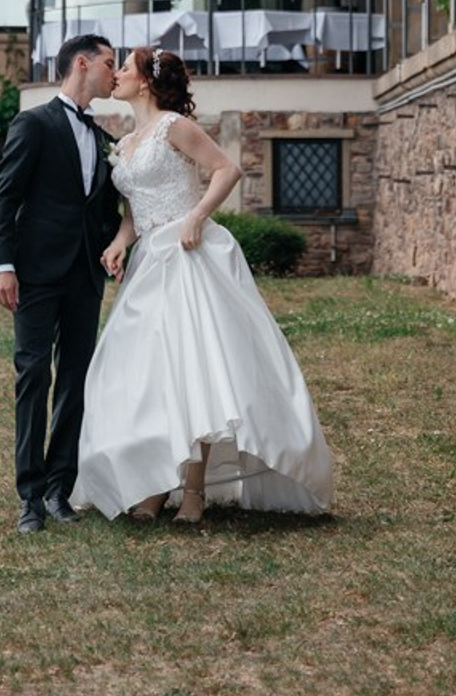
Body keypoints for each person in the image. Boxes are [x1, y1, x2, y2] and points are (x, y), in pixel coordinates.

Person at [72, 46, 334, 525]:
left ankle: (194, 491)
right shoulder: (126, 143)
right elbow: (135, 209)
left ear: (145, 82)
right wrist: (120, 242)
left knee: (195, 370)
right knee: (151, 375)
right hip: (149, 262)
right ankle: (156, 482)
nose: (118, 75)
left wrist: (196, 216)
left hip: (188, 256)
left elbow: (226, 169)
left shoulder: (174, 126)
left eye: (124, 68)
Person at [0, 31, 119, 535]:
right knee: (33, 375)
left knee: (75, 379)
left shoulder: (104, 138)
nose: (115, 73)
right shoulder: (34, 123)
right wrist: (3, 265)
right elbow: (6, 198)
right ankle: (30, 497)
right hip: (36, 273)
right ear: (81, 64)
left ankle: (59, 488)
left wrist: (114, 248)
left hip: (85, 274)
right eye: (109, 63)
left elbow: (103, 211)